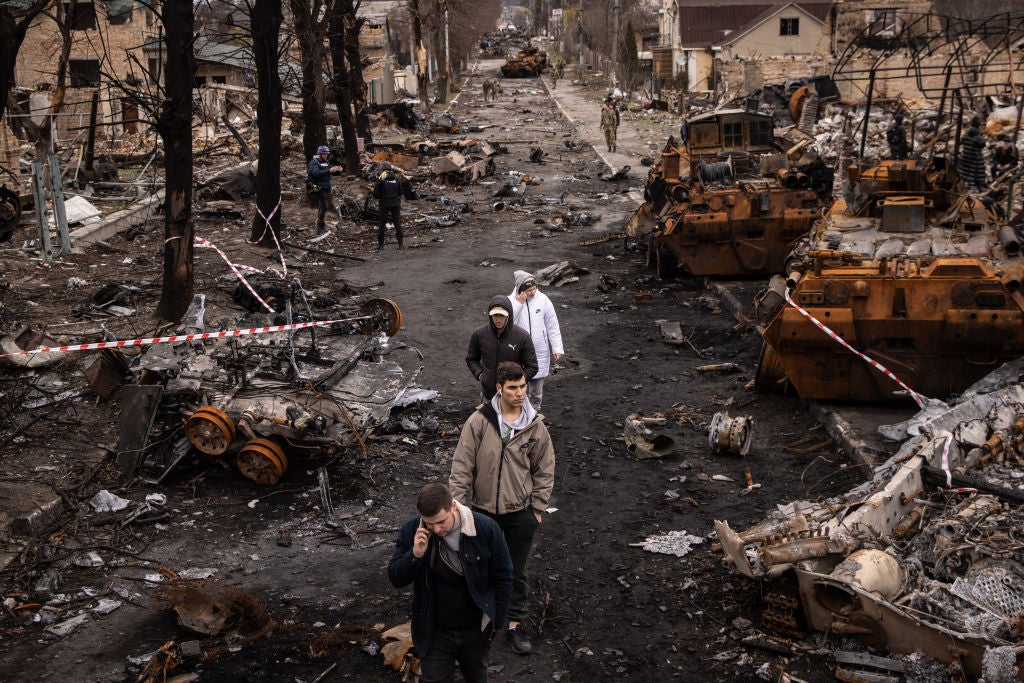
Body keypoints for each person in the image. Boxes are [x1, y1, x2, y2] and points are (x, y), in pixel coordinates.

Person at [449, 361, 555, 656]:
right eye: (513, 388)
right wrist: (459, 508)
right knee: (479, 566)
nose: (521, 393)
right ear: (499, 388)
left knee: (515, 571)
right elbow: (462, 466)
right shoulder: (480, 421)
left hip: (520, 511)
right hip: (483, 511)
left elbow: (545, 469)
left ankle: (513, 624)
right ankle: (481, 621)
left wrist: (537, 509)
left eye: (522, 386)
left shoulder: (535, 425)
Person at [388, 483, 513, 683]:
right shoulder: (413, 529)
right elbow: (396, 578)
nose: (436, 529)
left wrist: (496, 622)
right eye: (429, 524)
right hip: (434, 630)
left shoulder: (485, 528)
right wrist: (415, 554)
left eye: (441, 522)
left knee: (477, 678)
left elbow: (504, 576)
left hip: (475, 629)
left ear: (453, 506)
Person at [507, 271, 563, 412]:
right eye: (529, 290)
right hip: (518, 351)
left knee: (537, 389)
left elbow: (552, 325)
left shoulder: (543, 300)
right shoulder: (510, 301)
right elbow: (507, 323)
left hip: (539, 351)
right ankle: (518, 413)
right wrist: (519, 304)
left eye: (534, 288)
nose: (532, 292)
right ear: (521, 289)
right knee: (518, 386)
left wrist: (556, 348)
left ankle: (534, 412)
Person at [466, 296, 538, 401]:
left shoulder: (522, 337)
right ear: (490, 315)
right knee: (487, 418)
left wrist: (517, 383)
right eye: (495, 315)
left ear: (509, 315)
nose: (498, 320)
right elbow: (471, 359)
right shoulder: (479, 335)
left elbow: (532, 367)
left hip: (514, 396)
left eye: (502, 316)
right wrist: (481, 376)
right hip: (488, 395)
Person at [372, 161, 415, 250]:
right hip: (395, 204)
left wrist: (382, 195)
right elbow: (400, 192)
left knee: (382, 224)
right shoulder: (396, 179)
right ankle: (400, 244)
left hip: (384, 204)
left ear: (382, 170)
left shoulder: (380, 180)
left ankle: (381, 246)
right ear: (390, 169)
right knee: (397, 223)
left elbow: (375, 194)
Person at [307, 145, 342, 233]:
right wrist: (329, 170)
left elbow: (331, 172)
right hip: (318, 186)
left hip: (327, 187)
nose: (326, 155)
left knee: (322, 206)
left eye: (327, 154)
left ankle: (320, 226)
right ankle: (320, 226)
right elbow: (316, 173)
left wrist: (338, 170)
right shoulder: (314, 162)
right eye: (324, 154)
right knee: (325, 206)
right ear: (320, 154)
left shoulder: (326, 162)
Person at [958, 117, 988, 190]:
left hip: (965, 155)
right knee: (977, 172)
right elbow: (983, 144)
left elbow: (962, 141)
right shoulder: (977, 134)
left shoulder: (967, 133)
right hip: (974, 157)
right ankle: (976, 187)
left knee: (965, 172)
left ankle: (964, 185)